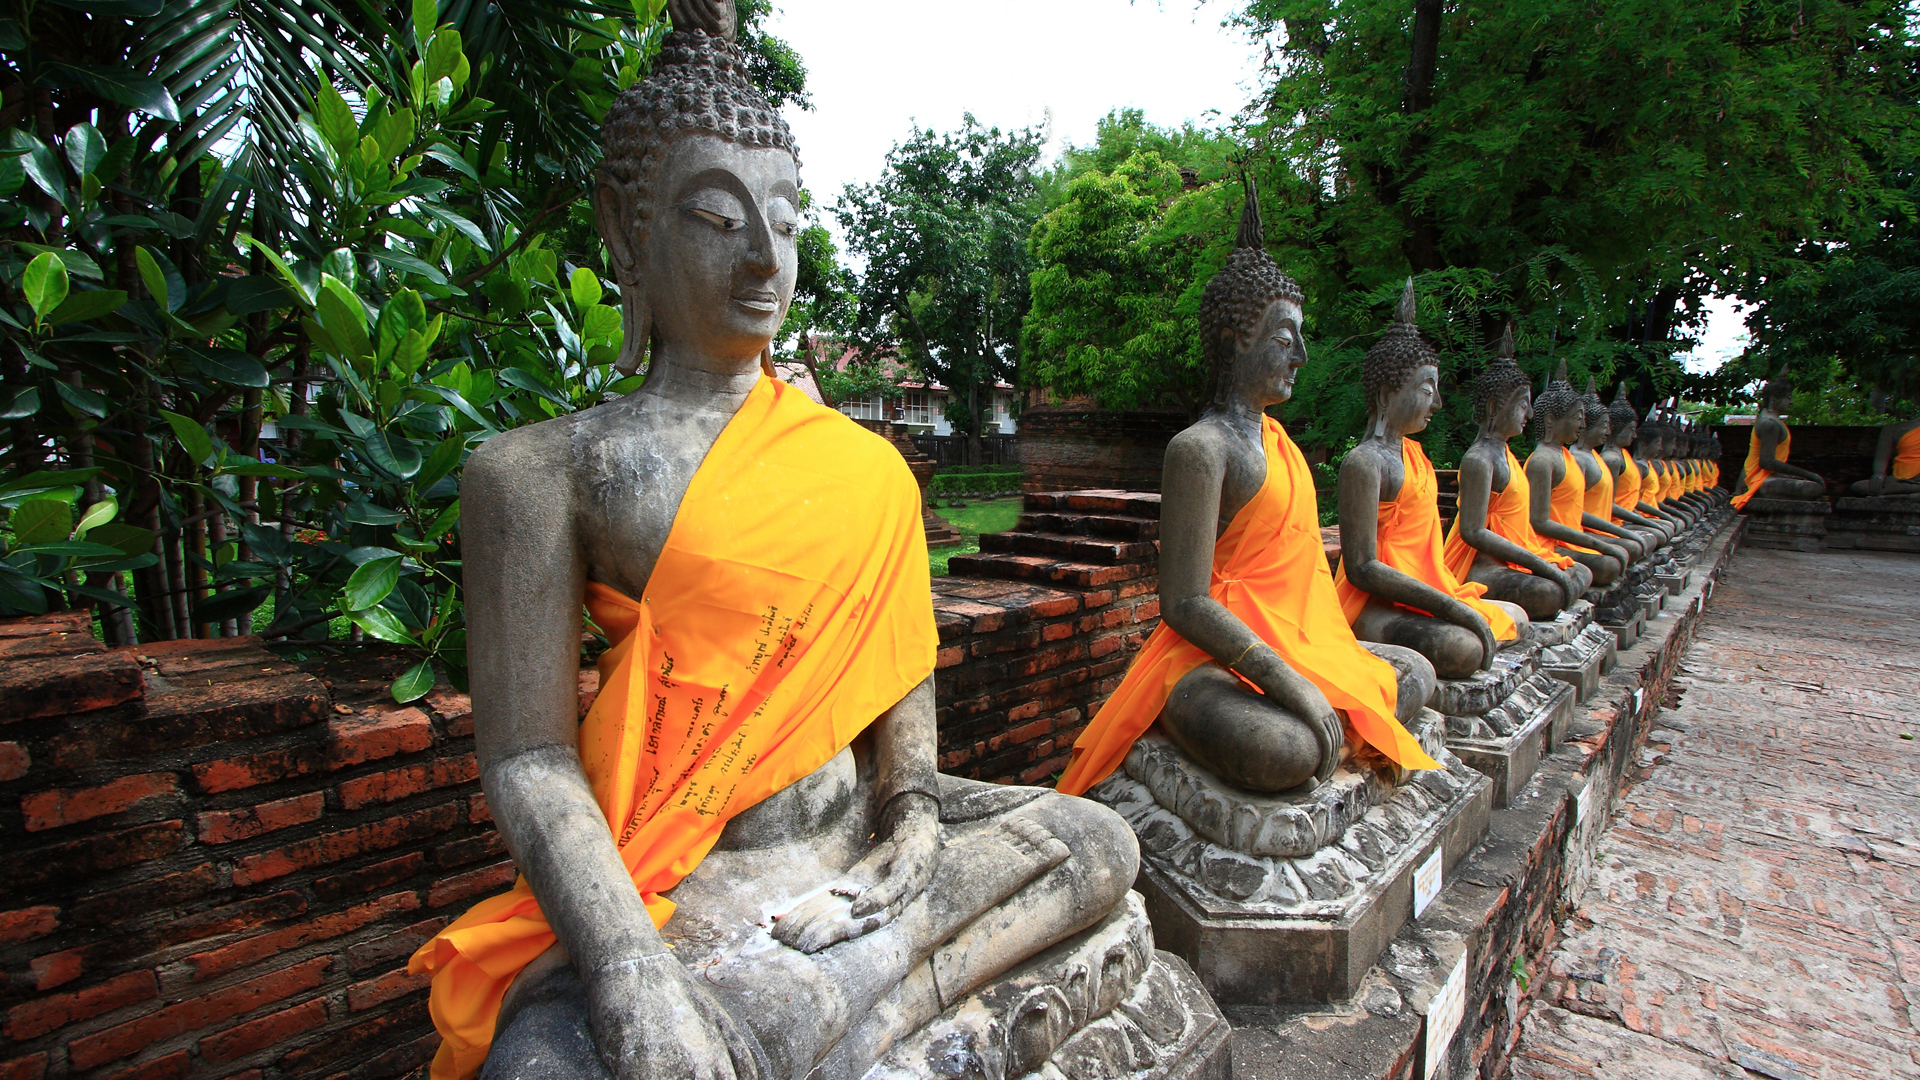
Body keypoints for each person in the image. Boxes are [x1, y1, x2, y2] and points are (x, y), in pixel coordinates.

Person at [409, 9, 1141, 1077]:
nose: (764, 254)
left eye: (787, 219)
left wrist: (918, 825)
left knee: (1098, 843)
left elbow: (898, 684)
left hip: (859, 849)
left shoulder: (863, 465)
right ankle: (842, 1009)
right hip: (691, 876)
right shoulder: (539, 472)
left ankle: (819, 1013)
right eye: (716, 217)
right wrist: (627, 970)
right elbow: (527, 758)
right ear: (627, 231)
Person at [1056, 187, 1438, 800]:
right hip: (1205, 657)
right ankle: (1276, 715)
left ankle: (1324, 700)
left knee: (1417, 671)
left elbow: (1306, 576)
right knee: (1287, 750)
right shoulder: (1200, 448)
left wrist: (1299, 672)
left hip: (1296, 636)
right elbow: (1184, 603)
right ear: (1237, 338)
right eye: (1286, 340)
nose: (1302, 357)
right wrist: (1285, 680)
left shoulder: (1280, 443)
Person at [1334, 281, 1527, 681]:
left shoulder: (1415, 457)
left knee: (1515, 616)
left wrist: (1446, 601)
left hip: (1425, 589)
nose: (1437, 402)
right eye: (1426, 389)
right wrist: (1450, 607)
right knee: (1463, 649)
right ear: (1387, 394)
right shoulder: (1364, 462)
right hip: (1371, 600)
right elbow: (1363, 568)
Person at [1441, 329, 1593, 620]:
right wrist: (1539, 564)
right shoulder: (1479, 458)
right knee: (1550, 593)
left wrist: (1538, 561)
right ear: (1494, 407)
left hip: (1514, 556)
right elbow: (1473, 532)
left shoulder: (1507, 455)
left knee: (1580, 572)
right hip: (1482, 564)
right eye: (1523, 405)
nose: (1530, 414)